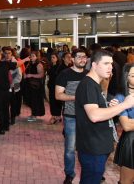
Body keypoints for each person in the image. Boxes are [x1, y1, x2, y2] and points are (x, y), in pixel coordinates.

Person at [75, 49, 134, 183]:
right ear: (94, 65)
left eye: (111, 64)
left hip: (97, 147)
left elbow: (95, 109)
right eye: (106, 63)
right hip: (93, 148)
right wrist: (124, 105)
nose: (110, 67)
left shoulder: (95, 84)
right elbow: (94, 115)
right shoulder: (88, 85)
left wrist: (109, 106)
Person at [55, 49, 88, 184]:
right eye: (79, 57)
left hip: (88, 117)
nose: (82, 59)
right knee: (70, 148)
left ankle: (89, 171)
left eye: (84, 57)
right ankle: (69, 173)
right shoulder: (64, 74)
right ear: (72, 59)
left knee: (88, 147)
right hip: (71, 116)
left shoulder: (90, 75)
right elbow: (58, 95)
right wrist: (76, 97)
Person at [113, 63, 134, 184]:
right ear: (126, 77)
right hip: (131, 142)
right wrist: (129, 123)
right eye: (133, 75)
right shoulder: (121, 98)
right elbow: (126, 125)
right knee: (127, 181)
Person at [24, 51, 45, 122]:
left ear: (37, 57)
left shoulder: (39, 64)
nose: (31, 57)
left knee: (35, 101)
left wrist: (31, 75)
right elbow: (26, 71)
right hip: (29, 85)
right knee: (30, 100)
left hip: (36, 86)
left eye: (33, 56)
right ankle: (33, 114)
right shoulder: (29, 64)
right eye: (31, 56)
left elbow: (41, 75)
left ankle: (34, 115)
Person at [47, 52, 62, 125]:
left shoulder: (59, 66)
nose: (52, 59)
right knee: (52, 101)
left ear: (57, 58)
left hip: (57, 86)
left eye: (54, 57)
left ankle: (57, 116)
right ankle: (55, 116)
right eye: (51, 57)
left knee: (57, 102)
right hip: (51, 86)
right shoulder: (50, 66)